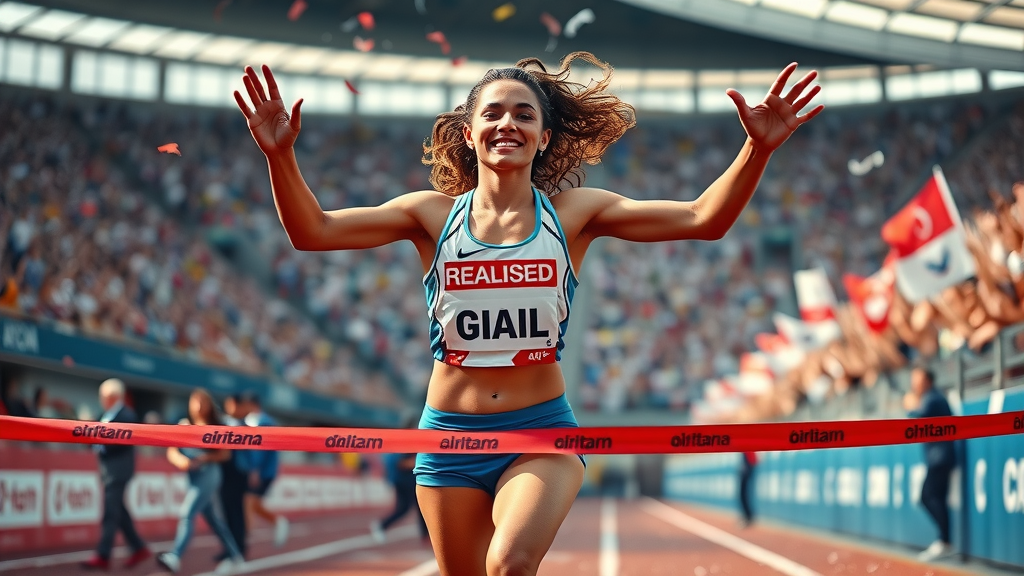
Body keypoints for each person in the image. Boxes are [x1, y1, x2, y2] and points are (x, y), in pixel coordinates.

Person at [235, 52, 821, 575]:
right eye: (492, 114)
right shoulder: (429, 217)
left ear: (543, 138)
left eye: (523, 114)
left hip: (539, 434)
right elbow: (313, 232)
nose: (506, 123)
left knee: (511, 563)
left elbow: (701, 219)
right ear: (469, 134)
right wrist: (281, 156)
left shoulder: (574, 215)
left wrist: (757, 148)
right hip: (448, 436)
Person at [156, 389, 244, 575]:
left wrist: (203, 459)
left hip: (209, 475)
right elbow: (172, 451)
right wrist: (182, 461)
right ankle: (236, 556)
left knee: (187, 513)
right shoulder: (184, 425)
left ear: (209, 404)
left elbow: (225, 454)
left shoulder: (216, 426)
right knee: (214, 520)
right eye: (195, 401)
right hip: (192, 477)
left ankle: (175, 556)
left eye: (202, 401)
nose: (198, 406)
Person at [81, 378, 151, 570]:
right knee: (118, 511)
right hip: (108, 470)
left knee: (111, 511)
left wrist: (99, 444)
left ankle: (103, 555)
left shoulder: (127, 415)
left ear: (111, 396)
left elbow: (119, 444)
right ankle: (138, 547)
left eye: (103, 396)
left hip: (119, 470)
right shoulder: (103, 414)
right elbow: (91, 438)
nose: (101, 399)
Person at [903, 365, 956, 562]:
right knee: (934, 498)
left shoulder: (933, 398)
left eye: (917, 378)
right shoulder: (933, 397)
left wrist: (910, 407)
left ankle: (945, 542)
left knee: (928, 496)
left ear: (928, 380)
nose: (913, 383)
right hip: (939, 457)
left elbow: (916, 420)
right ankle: (944, 541)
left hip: (940, 458)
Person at [238, 391, 288, 547]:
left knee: (248, 501)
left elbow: (260, 449)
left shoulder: (263, 421)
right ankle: (278, 522)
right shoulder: (254, 420)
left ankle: (244, 539)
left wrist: (255, 470)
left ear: (251, 405)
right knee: (254, 504)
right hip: (263, 470)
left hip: (263, 470)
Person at [372, 417, 429, 543]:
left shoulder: (411, 439)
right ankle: (381, 525)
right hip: (403, 481)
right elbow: (400, 463)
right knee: (404, 509)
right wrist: (418, 462)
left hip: (410, 481)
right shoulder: (405, 440)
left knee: (420, 508)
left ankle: (425, 536)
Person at [214, 394, 250, 562]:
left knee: (237, 511)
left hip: (239, 474)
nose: (230, 407)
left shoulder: (246, 427)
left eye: (233, 404)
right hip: (224, 473)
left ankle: (239, 546)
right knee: (226, 512)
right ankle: (230, 547)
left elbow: (251, 454)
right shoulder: (222, 423)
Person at [738, 452, 757, 528]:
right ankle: (747, 516)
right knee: (743, 492)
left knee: (744, 492)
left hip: (748, 462)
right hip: (748, 461)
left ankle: (748, 517)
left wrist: (746, 465)